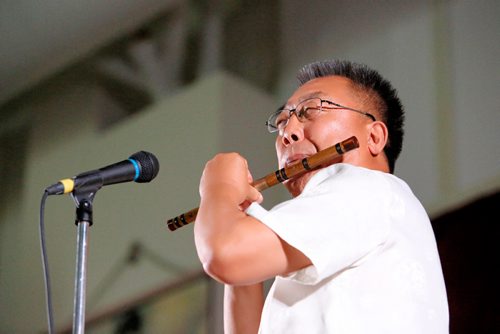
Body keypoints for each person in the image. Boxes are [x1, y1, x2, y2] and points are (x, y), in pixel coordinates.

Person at [194, 60, 449, 333]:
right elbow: (236, 268)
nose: (287, 133)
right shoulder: (347, 219)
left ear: (374, 137)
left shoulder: (369, 188)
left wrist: (218, 184)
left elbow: (224, 255)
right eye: (282, 121)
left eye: (311, 110)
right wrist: (235, 214)